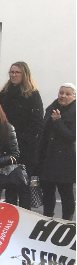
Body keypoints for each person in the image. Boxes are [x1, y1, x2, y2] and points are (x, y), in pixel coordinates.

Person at [0, 62, 44, 208]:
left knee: (24, 186)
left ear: (24, 74)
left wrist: (23, 140)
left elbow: (37, 123)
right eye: (11, 72)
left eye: (17, 72)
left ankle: (25, 216)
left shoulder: (32, 95)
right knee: (10, 185)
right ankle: (10, 215)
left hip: (26, 147)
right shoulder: (4, 94)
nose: (13, 75)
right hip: (7, 145)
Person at [37, 83, 76, 220]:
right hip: (47, 157)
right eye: (61, 92)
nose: (63, 96)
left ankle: (67, 220)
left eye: (67, 94)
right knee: (47, 191)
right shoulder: (52, 108)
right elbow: (43, 131)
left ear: (74, 97)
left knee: (66, 193)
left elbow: (72, 136)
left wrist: (58, 122)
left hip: (65, 160)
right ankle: (48, 217)